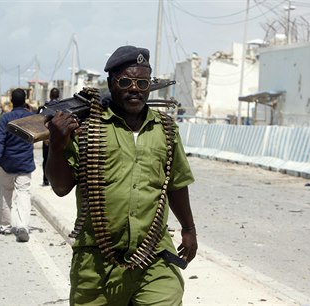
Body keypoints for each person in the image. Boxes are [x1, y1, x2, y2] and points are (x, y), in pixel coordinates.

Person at [45, 45, 198, 305]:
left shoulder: (166, 129)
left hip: (154, 256)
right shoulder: (86, 127)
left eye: (142, 82)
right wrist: (57, 146)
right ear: (111, 83)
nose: (135, 88)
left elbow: (176, 184)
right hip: (96, 261)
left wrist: (189, 228)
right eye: (126, 81)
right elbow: (60, 188)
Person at [0, 88, 36, 242]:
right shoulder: (31, 118)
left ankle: (5, 226)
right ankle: (23, 226)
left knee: (6, 193)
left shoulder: (5, 118)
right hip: (25, 162)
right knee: (23, 194)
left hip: (7, 162)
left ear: (11, 100)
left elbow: (0, 140)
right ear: (25, 101)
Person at [40, 87, 60, 186]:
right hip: (59, 137)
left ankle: (45, 180)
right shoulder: (62, 106)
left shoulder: (44, 107)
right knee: (58, 159)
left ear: (50, 95)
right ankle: (56, 181)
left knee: (46, 159)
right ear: (58, 95)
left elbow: (39, 122)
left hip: (47, 137)